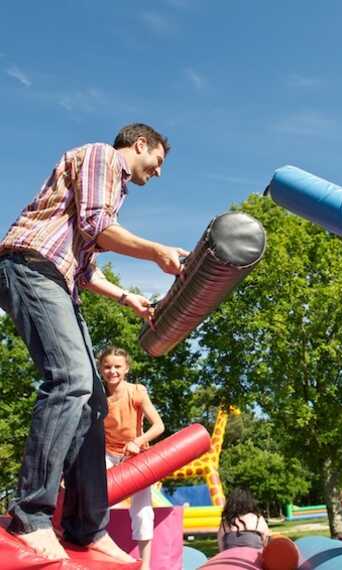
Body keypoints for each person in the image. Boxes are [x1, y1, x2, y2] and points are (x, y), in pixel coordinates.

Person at [0, 123, 189, 561]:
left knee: (93, 402)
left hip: (61, 278)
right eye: (157, 161)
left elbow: (85, 268)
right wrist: (157, 250)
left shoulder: (112, 189)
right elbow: (98, 226)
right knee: (70, 380)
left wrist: (128, 297)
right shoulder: (103, 156)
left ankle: (87, 527)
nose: (157, 173)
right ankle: (32, 513)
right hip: (31, 266)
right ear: (140, 144)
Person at [99, 346, 164, 570]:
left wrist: (137, 441)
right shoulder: (99, 396)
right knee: (96, 500)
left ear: (126, 369)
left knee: (142, 507)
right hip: (108, 453)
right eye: (107, 367)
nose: (112, 371)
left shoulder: (136, 391)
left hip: (136, 455)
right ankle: (98, 554)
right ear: (101, 369)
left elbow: (159, 426)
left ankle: (145, 565)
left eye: (117, 366)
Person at [217, 487, 270, 552]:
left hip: (230, 559)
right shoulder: (258, 519)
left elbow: (221, 547)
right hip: (254, 560)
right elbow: (266, 543)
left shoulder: (226, 522)